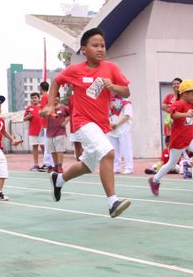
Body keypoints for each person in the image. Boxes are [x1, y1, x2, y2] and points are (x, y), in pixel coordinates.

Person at [42, 27, 132, 218]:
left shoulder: (111, 68)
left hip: (102, 125)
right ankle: (112, 202)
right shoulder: (75, 70)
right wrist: (50, 105)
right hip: (82, 122)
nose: (100, 49)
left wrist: (112, 86)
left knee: (87, 166)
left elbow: (126, 92)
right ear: (84, 50)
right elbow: (56, 81)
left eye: (102, 45)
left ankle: (59, 180)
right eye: (95, 45)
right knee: (108, 153)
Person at [149, 79, 193, 196]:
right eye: (192, 94)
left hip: (190, 138)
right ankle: (155, 180)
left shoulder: (190, 102)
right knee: (171, 164)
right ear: (184, 94)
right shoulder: (178, 104)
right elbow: (173, 114)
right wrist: (186, 114)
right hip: (178, 140)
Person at [108, 96, 133, 174]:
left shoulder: (126, 102)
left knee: (126, 148)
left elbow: (127, 116)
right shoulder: (109, 100)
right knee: (114, 149)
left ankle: (129, 167)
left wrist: (117, 124)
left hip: (123, 128)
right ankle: (116, 167)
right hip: (112, 129)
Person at [45, 95, 69, 173]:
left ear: (59, 98)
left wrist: (65, 121)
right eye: (53, 97)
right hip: (50, 132)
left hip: (60, 132)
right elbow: (41, 114)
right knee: (53, 151)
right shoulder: (48, 108)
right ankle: (55, 166)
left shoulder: (63, 108)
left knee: (59, 150)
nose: (55, 98)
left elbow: (70, 114)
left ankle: (60, 167)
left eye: (56, 97)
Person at [24, 92, 44, 171]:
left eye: (35, 97)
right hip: (33, 131)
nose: (34, 99)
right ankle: (36, 164)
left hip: (42, 131)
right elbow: (24, 119)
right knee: (35, 147)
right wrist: (28, 116)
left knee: (43, 147)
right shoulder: (29, 108)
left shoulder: (42, 107)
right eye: (32, 98)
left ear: (39, 99)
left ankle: (46, 164)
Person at [161, 78, 183, 144]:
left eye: (178, 83)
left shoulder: (184, 96)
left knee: (180, 143)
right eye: (174, 84)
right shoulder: (169, 96)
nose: (176, 85)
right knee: (169, 143)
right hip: (168, 119)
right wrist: (174, 109)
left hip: (180, 120)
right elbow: (162, 106)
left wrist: (170, 107)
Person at [38, 81, 55, 170]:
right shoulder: (48, 96)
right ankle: (49, 163)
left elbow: (45, 110)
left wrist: (40, 112)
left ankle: (49, 164)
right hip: (47, 123)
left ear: (41, 88)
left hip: (47, 123)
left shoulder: (44, 97)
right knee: (48, 144)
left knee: (47, 145)